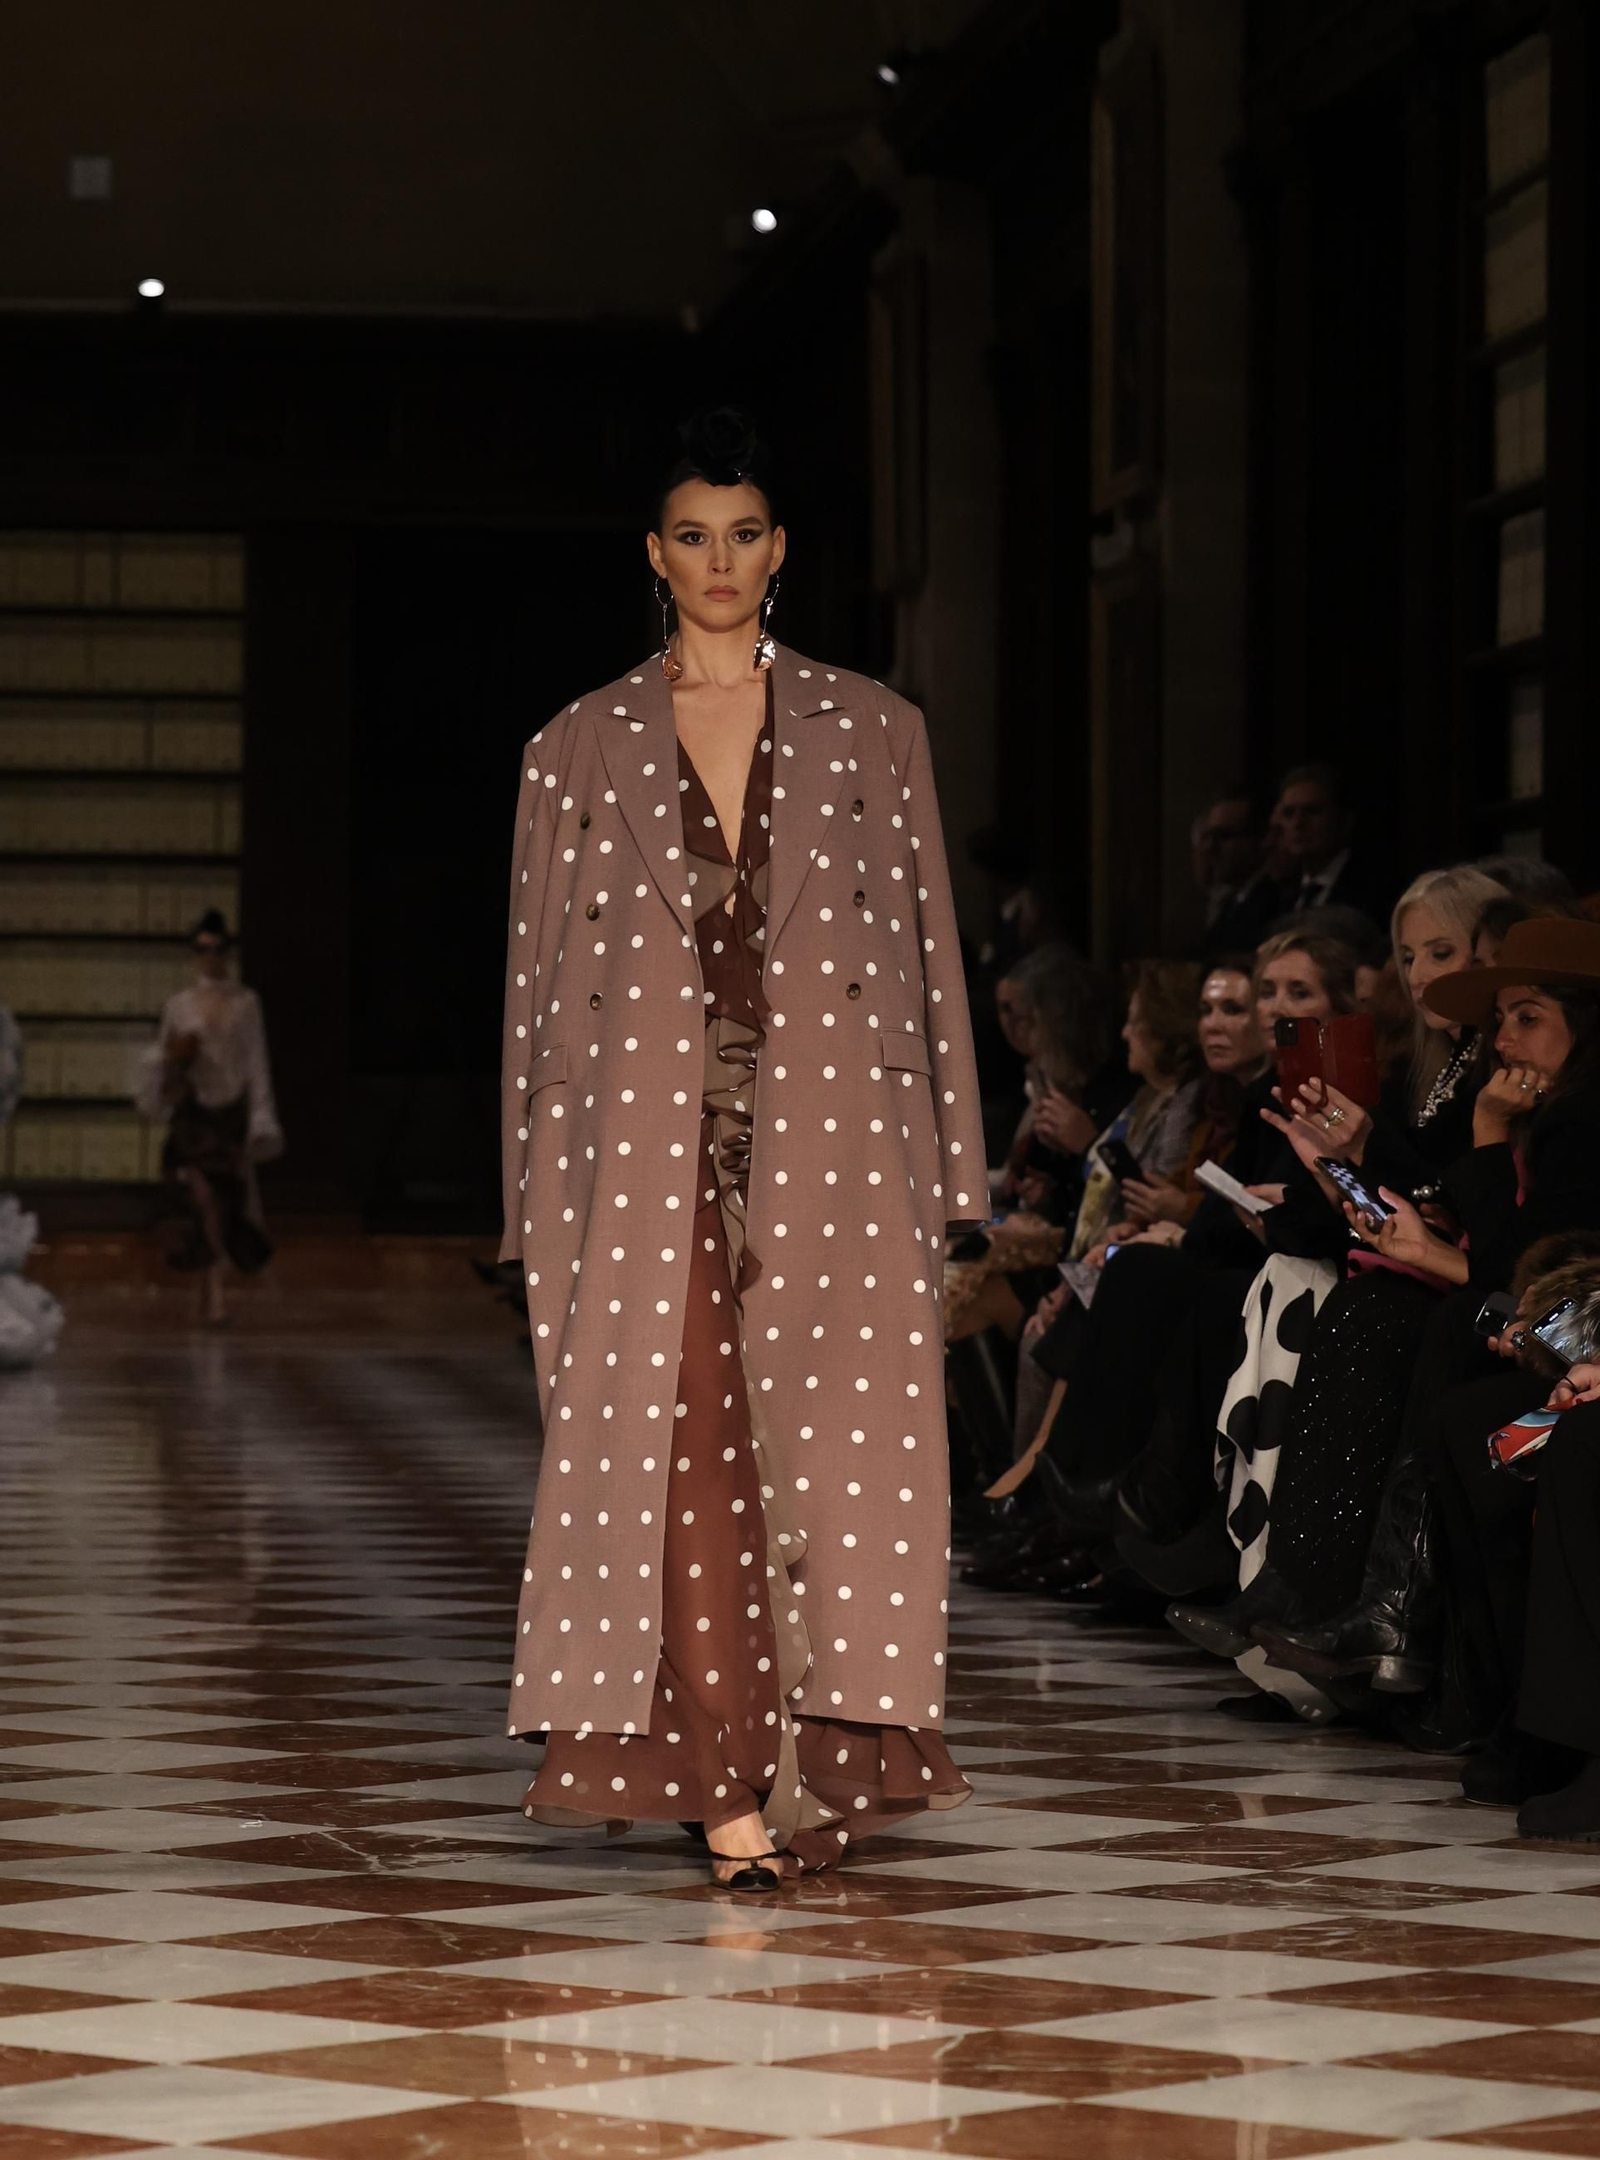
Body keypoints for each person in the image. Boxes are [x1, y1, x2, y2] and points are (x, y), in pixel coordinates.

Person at [498, 408, 986, 1888]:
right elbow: (530, 990)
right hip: (641, 1157)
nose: (722, 562)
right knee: (683, 1459)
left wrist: (952, 1176)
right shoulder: (577, 744)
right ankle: (726, 1795)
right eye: (694, 537)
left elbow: (926, 954)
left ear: (783, 549)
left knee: (831, 1470)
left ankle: (806, 1763)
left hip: (837, 1146)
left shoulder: (873, 726)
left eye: (748, 533)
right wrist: (530, 1198)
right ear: (656, 557)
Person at [135, 911, 282, 1325]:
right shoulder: (178, 1005)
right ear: (193, 953)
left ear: (228, 952)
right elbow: (162, 1063)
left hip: (229, 1114)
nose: (210, 956)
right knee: (201, 1201)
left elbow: (257, 1063)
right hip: (193, 1115)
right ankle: (214, 1294)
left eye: (217, 948)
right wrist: (174, 1066)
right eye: (202, 949)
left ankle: (207, 1290)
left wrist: (261, 1118)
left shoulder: (246, 1003)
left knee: (223, 1204)